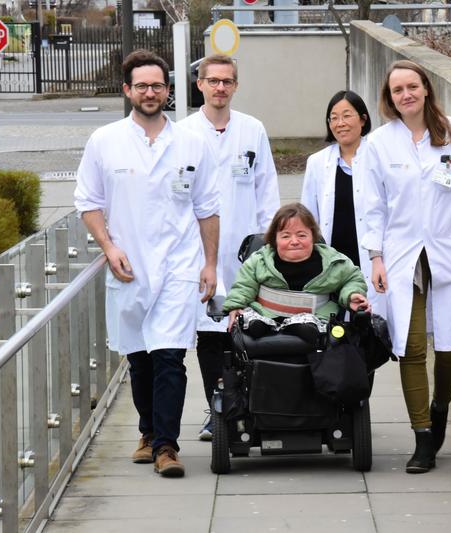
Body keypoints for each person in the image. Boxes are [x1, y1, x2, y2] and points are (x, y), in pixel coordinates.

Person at [74, 49, 220, 478]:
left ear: (169, 91)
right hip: (129, 266)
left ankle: (165, 447)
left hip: (179, 266)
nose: (150, 92)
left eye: (158, 85)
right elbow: (88, 201)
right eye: (142, 86)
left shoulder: (193, 143)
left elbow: (208, 208)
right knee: (139, 359)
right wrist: (108, 246)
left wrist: (210, 264)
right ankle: (147, 429)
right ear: (127, 90)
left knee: (170, 357)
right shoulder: (105, 141)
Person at [362, 60, 451, 474]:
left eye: (412, 87)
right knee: (411, 347)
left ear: (426, 89)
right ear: (389, 98)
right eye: (397, 90)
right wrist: (376, 256)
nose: (406, 95)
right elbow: (372, 205)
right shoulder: (380, 143)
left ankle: (440, 407)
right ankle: (422, 438)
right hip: (403, 257)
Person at [179, 53, 280, 441]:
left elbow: (266, 186)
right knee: (210, 333)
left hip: (245, 248)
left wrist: (267, 244)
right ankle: (217, 409)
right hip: (200, 249)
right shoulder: (184, 133)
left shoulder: (252, 130)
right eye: (213, 80)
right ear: (200, 84)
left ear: (236, 86)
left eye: (227, 81)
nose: (220, 87)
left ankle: (249, 407)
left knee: (247, 330)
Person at [223, 203, 370, 331]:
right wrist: (235, 306)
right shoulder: (259, 261)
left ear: (313, 236)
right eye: (286, 236)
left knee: (309, 330)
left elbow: (352, 279)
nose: (294, 241)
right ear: (275, 239)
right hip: (264, 317)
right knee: (251, 324)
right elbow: (243, 286)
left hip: (315, 321)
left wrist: (352, 295)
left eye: (301, 235)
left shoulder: (334, 262)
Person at [300, 90, 374, 293]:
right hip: (333, 256)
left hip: (371, 256)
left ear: (363, 119)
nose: (340, 123)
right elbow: (308, 215)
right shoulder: (317, 162)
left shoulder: (378, 156)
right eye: (333, 118)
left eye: (347, 115)